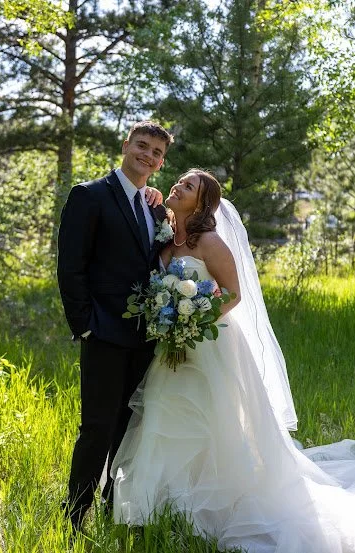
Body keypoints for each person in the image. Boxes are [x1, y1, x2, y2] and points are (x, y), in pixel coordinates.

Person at [111, 169, 355, 553]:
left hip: (210, 345)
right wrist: (170, 322)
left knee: (214, 423)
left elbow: (233, 294)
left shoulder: (210, 242)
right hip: (171, 347)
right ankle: (163, 507)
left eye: (188, 187)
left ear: (203, 203)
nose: (178, 186)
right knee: (165, 417)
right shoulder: (165, 236)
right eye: (179, 181)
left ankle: (213, 509)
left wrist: (191, 320)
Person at [57, 120, 174, 530]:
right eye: (142, 146)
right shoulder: (89, 196)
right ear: (125, 145)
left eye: (157, 153)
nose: (148, 155)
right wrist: (84, 325)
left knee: (128, 428)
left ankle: (113, 509)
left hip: (145, 337)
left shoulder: (156, 206)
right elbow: (71, 266)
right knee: (97, 429)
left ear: (160, 163)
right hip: (103, 332)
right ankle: (72, 517)